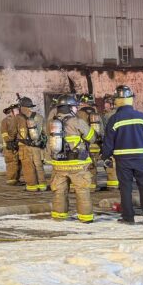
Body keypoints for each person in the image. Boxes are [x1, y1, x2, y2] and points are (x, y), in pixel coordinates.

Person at [100, 84, 143, 225]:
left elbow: (108, 142)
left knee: (125, 189)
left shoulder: (114, 120)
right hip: (142, 160)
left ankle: (128, 218)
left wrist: (105, 157)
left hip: (123, 160)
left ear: (116, 101)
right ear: (131, 100)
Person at [45, 94, 97, 222]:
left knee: (59, 191)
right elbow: (92, 137)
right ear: (69, 108)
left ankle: (59, 216)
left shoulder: (52, 123)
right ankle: (86, 218)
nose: (76, 109)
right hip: (77, 164)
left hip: (59, 164)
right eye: (74, 107)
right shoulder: (77, 121)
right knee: (82, 191)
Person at [16, 96, 46, 192]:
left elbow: (12, 132)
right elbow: (45, 132)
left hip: (24, 146)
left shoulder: (18, 118)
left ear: (21, 107)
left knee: (28, 166)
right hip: (37, 146)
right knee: (39, 166)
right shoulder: (39, 117)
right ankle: (42, 185)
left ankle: (32, 187)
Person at [76, 93, 103, 189]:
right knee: (93, 166)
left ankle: (82, 186)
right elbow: (101, 131)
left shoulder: (78, 114)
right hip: (95, 145)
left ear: (83, 103)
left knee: (81, 166)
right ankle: (92, 186)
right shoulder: (96, 114)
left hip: (83, 145)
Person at [99, 94, 119, 190]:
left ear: (112, 104)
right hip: (121, 143)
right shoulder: (120, 113)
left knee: (110, 164)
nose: (104, 105)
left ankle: (113, 185)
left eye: (106, 103)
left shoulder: (108, 115)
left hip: (111, 143)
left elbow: (104, 130)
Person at [0, 103, 23, 185]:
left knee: (18, 163)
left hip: (18, 145)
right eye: (16, 110)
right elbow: (4, 133)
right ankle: (11, 180)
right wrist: (9, 142)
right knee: (11, 163)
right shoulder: (5, 121)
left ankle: (16, 179)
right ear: (11, 111)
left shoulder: (19, 119)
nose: (18, 111)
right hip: (9, 146)